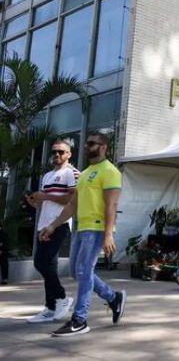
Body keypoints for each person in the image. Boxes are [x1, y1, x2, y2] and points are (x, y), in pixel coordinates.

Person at [39, 132, 126, 337]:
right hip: (82, 227)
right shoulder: (86, 172)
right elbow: (72, 204)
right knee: (76, 272)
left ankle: (80, 319)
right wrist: (53, 226)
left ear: (104, 147)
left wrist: (108, 234)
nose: (87, 146)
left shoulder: (110, 171)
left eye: (92, 143)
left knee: (85, 271)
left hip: (97, 229)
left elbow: (112, 204)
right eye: (86, 144)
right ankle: (113, 298)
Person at [25, 140, 80, 323]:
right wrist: (34, 200)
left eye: (61, 152)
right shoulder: (48, 175)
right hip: (44, 224)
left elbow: (72, 200)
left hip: (60, 224)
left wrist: (46, 196)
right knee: (49, 265)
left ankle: (63, 298)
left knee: (41, 262)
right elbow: (43, 200)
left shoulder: (72, 173)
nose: (57, 155)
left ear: (69, 154)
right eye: (54, 152)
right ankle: (50, 308)